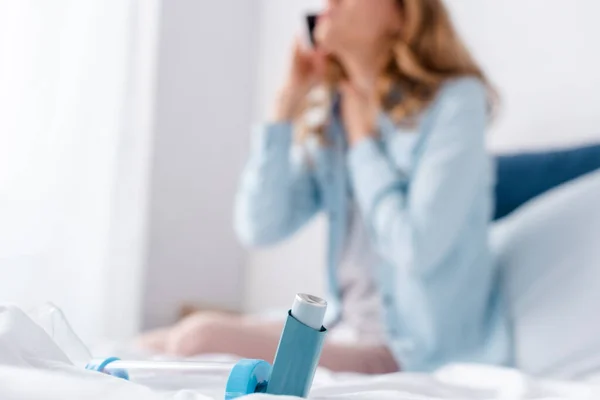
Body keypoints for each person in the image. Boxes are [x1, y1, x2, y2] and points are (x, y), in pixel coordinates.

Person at [139, 0, 511, 374]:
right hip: (342, 330)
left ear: (403, 15)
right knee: (144, 347)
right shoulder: (337, 118)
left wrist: (363, 141)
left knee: (196, 339)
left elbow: (415, 248)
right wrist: (286, 105)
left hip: (408, 351)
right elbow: (260, 226)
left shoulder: (456, 102)